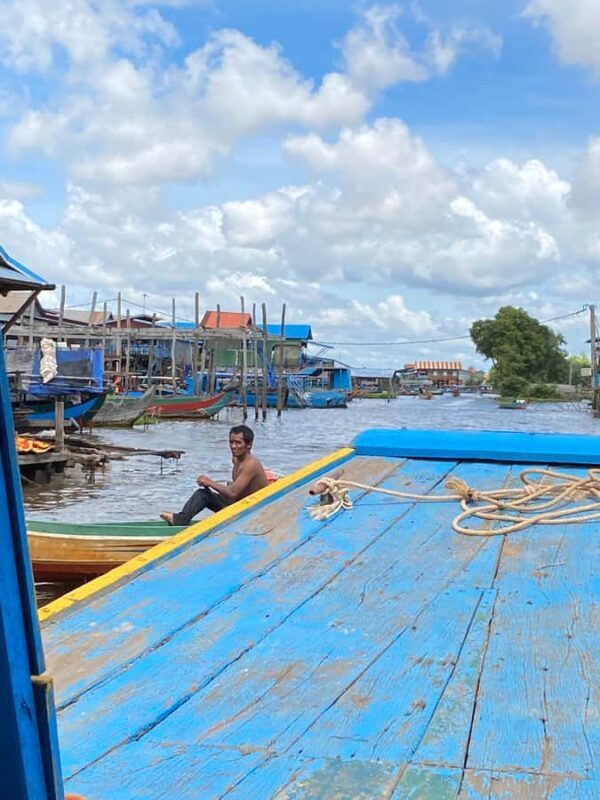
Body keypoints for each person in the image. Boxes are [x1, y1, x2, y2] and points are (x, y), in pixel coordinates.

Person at [160, 424, 268, 526]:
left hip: (250, 512)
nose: (233, 446)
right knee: (202, 493)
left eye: (238, 443)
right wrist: (213, 486)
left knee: (203, 495)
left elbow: (233, 493)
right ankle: (181, 518)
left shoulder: (251, 464)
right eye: (231, 442)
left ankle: (179, 520)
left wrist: (210, 482)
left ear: (249, 445)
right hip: (238, 504)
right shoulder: (236, 460)